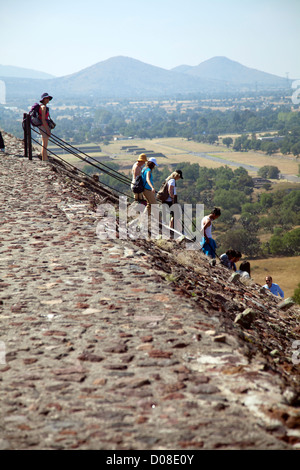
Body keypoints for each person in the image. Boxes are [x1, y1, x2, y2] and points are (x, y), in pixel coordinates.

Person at [39, 93, 53, 161]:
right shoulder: (43, 107)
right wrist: (47, 130)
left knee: (44, 144)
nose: (48, 100)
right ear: (43, 99)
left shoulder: (42, 106)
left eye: (48, 98)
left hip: (42, 126)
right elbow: (43, 120)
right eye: (46, 98)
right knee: (44, 144)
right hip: (43, 126)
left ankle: (44, 158)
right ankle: (44, 159)